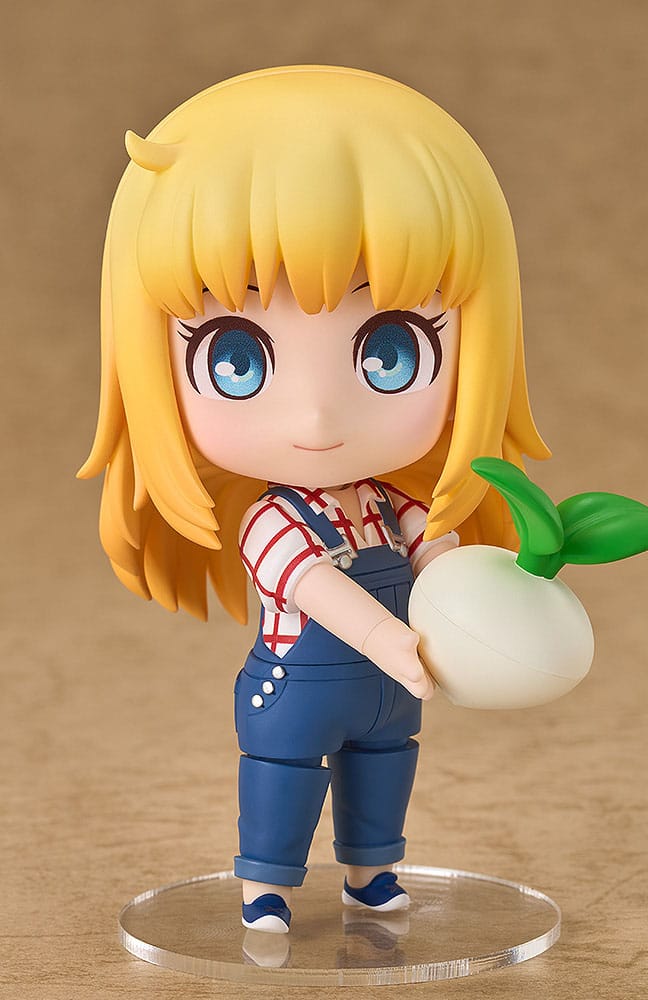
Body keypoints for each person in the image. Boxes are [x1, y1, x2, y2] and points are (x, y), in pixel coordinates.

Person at [78, 65, 549, 933]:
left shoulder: (391, 503)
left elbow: (435, 549)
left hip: (390, 689)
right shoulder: (272, 522)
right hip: (303, 684)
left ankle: (372, 873)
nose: (318, 417)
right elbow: (315, 586)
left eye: (390, 352)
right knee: (285, 779)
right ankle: (266, 887)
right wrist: (391, 637)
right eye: (236, 359)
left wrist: (480, 596)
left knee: (384, 768)